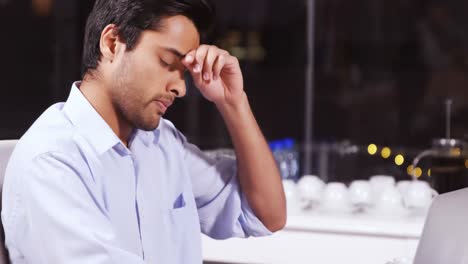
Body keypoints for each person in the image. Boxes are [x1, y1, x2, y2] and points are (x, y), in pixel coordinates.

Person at [1, 0, 286, 263]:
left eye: (184, 72)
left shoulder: (162, 144)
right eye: (166, 63)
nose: (181, 88)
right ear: (112, 43)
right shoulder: (52, 162)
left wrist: (232, 103)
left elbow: (265, 214)